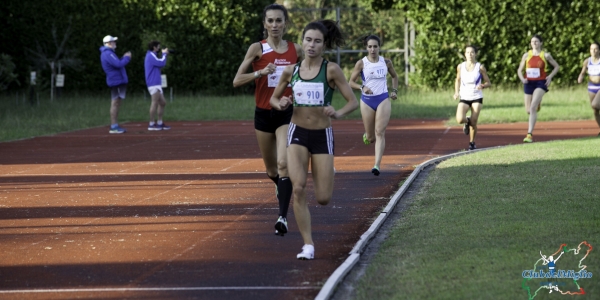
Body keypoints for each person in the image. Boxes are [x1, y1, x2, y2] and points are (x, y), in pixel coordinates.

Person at [270, 20, 359, 260]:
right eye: (308, 40)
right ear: (302, 41)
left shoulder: (331, 70)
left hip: (322, 136)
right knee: (298, 189)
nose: (311, 45)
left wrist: (337, 112)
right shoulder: (291, 71)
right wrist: (283, 103)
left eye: (317, 41)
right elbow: (274, 100)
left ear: (324, 45)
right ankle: (307, 245)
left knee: (323, 198)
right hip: (297, 132)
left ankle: (328, 169)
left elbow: (353, 101)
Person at [232, 4, 302, 236]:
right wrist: (260, 73)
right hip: (263, 114)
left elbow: (308, 76)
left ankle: (282, 217)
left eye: (278, 21)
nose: (274, 25)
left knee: (283, 164)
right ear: (264, 24)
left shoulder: (296, 50)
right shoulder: (257, 48)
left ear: (285, 23)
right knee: (272, 169)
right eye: (270, 21)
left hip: (285, 112)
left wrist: (298, 98)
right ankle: (279, 184)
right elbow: (237, 80)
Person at [349, 35, 399, 175]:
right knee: (371, 137)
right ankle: (368, 135)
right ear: (366, 48)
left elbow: (395, 77)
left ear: (379, 47)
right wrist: (362, 87)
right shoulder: (361, 63)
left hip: (383, 98)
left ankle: (377, 165)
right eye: (370, 46)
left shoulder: (386, 62)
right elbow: (351, 82)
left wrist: (394, 91)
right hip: (367, 101)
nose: (372, 49)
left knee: (380, 132)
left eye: (375, 46)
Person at [517, 34, 560, 143]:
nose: (534, 44)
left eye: (536, 41)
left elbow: (557, 66)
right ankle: (537, 104)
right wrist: (522, 79)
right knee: (528, 110)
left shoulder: (545, 55)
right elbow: (519, 70)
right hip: (528, 82)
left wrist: (549, 76)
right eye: (532, 42)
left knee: (532, 108)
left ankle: (529, 134)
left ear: (541, 43)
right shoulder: (526, 55)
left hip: (541, 82)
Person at [453, 45, 492, 150]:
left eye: (472, 52)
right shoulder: (460, 67)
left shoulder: (480, 67)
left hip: (476, 96)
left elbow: (489, 83)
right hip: (464, 96)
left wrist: (482, 85)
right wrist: (456, 92)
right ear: (465, 54)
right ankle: (467, 121)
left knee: (474, 122)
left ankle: (472, 143)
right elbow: (457, 80)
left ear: (475, 54)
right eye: (467, 52)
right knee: (460, 119)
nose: (469, 55)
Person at [100, 35, 131, 134]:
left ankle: (115, 125)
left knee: (117, 102)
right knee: (115, 102)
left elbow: (117, 63)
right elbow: (118, 64)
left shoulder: (109, 53)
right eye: (113, 42)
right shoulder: (108, 53)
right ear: (108, 43)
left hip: (117, 80)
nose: (115, 43)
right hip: (116, 81)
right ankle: (114, 126)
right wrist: (126, 58)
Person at [145, 40, 171, 131]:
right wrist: (164, 54)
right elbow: (161, 63)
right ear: (154, 47)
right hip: (153, 83)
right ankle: (151, 124)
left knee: (162, 103)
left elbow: (159, 62)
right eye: (158, 46)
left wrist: (164, 55)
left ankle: (159, 123)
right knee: (154, 102)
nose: (159, 48)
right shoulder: (150, 55)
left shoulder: (153, 56)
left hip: (156, 83)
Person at [577, 41, 600, 135]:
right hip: (591, 88)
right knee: (595, 110)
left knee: (595, 104)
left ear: (599, 50)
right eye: (591, 49)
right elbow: (583, 72)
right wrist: (580, 77)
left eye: (595, 49)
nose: (593, 51)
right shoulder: (587, 61)